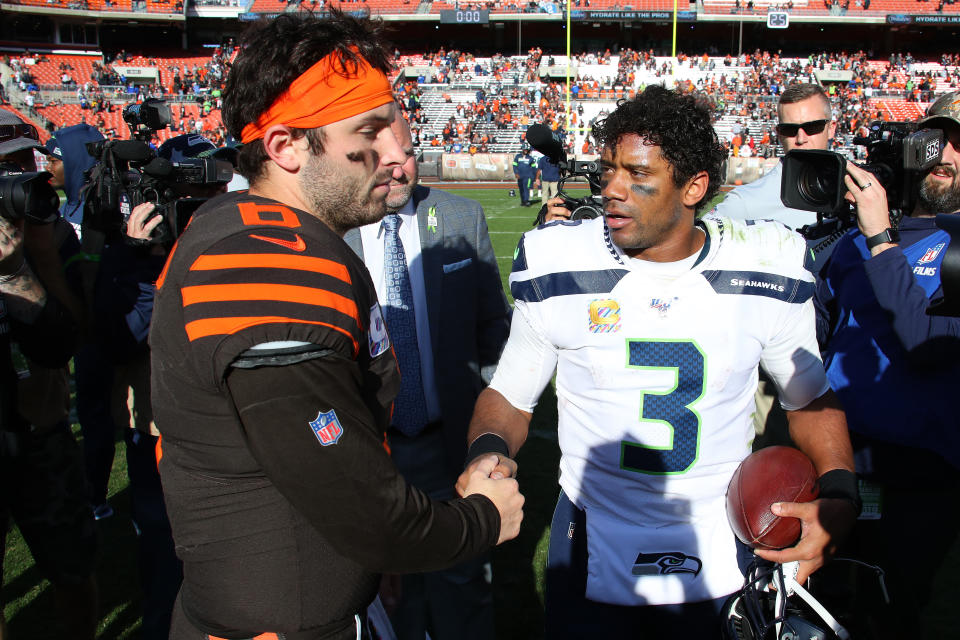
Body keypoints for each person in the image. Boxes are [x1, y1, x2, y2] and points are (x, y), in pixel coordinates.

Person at [150, 13, 523, 640]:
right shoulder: (267, 265)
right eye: (368, 133)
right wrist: (479, 519)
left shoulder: (253, 230)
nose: (392, 155)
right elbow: (360, 504)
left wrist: (370, 564)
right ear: (286, 146)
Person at [463, 85, 859, 638]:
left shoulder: (765, 265)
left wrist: (841, 493)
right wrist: (487, 453)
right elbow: (509, 395)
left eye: (637, 174)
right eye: (607, 171)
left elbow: (810, 399)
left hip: (721, 533)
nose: (613, 191)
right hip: (593, 531)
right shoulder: (560, 262)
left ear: (694, 186)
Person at [344, 112, 510, 640]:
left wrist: (488, 427)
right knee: (389, 590)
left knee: (463, 581)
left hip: (450, 440)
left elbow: (493, 329)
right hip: (371, 451)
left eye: (407, 157)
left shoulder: (460, 216)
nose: (397, 171)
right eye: (382, 161)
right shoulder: (330, 228)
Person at [814, 90, 960, 639]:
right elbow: (817, 335)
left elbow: (924, 343)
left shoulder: (900, 239)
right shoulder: (855, 240)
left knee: (889, 611)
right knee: (816, 605)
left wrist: (880, 238)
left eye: (958, 144)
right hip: (837, 457)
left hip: (919, 472)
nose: (942, 153)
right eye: (933, 139)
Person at [0, 110, 97, 640]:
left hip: (44, 426)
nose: (17, 185)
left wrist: (31, 266)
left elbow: (72, 338)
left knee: (72, 567)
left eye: (22, 167)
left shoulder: (52, 235)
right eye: (5, 169)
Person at [713, 83, 837, 232]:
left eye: (812, 127)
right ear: (779, 134)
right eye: (789, 129)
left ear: (831, 129)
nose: (800, 138)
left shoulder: (860, 192)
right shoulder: (744, 202)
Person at [513, 142, 536, 206]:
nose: (526, 151)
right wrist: (516, 173)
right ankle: (523, 201)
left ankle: (526, 200)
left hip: (528, 176)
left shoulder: (530, 158)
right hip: (520, 176)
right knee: (521, 189)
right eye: (524, 149)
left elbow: (534, 168)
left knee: (526, 188)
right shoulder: (518, 157)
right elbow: (514, 165)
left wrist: (533, 176)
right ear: (522, 150)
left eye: (527, 149)